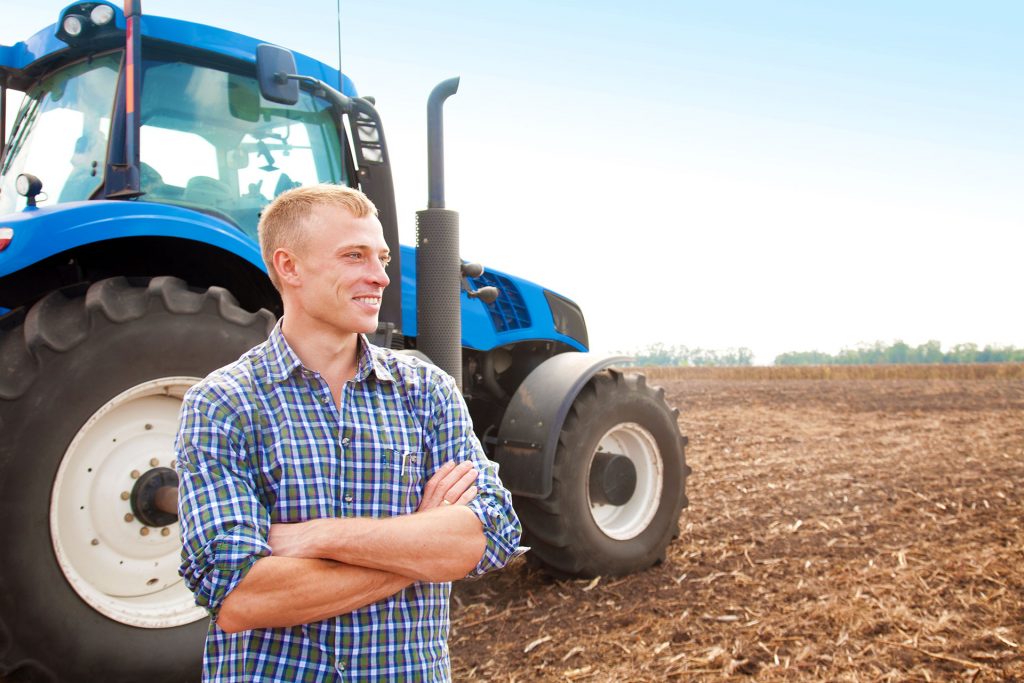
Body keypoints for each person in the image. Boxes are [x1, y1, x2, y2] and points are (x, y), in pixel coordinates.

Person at [175, 183, 523, 681]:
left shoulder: (427, 392)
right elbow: (240, 596)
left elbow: (489, 535)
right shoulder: (223, 404)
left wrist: (318, 537)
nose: (380, 277)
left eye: (381, 257)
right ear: (289, 266)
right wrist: (419, 548)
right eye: (354, 256)